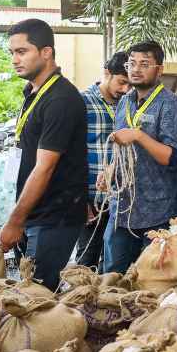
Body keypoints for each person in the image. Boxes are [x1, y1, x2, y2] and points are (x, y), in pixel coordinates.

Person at [0, 19, 88, 291]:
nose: (14, 59)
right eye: (12, 52)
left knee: (37, 297)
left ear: (46, 52)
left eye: (22, 51)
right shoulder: (33, 92)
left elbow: (44, 168)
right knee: (29, 292)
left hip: (54, 215)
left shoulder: (61, 99)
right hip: (34, 213)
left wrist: (15, 221)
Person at [103, 42, 177, 274]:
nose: (136, 69)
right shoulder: (124, 102)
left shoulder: (170, 105)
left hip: (158, 212)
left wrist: (139, 135)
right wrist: (110, 172)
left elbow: (175, 158)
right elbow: (120, 150)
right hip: (122, 208)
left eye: (144, 64)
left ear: (159, 70)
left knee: (153, 278)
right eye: (132, 63)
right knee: (112, 274)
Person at [77, 51, 131, 269]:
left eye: (129, 85)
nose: (125, 89)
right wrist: (80, 200)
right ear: (107, 73)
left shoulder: (128, 104)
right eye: (121, 82)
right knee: (87, 258)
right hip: (92, 198)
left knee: (114, 262)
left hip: (120, 199)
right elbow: (73, 154)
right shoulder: (83, 102)